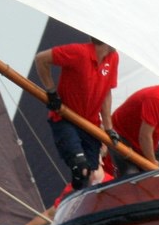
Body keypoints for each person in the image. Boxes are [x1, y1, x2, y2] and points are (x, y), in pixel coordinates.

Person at [33, 37, 119, 190]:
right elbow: (41, 59)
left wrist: (109, 128)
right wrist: (51, 91)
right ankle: (75, 200)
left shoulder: (113, 57)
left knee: (92, 174)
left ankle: (78, 202)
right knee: (80, 167)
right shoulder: (79, 52)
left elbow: (106, 93)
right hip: (65, 118)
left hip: (90, 125)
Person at [108, 82, 159, 173]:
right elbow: (144, 136)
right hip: (122, 136)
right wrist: (152, 162)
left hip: (148, 141)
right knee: (132, 175)